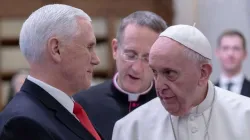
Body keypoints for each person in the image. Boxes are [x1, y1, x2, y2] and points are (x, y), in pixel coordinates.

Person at [112, 25, 250, 140]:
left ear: (203, 73)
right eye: (155, 72)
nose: (159, 86)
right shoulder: (131, 128)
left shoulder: (245, 116)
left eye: (169, 73)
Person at [0, 4, 102, 140]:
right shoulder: (24, 124)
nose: (96, 60)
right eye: (89, 47)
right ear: (56, 49)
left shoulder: (68, 109)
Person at [74, 11, 167, 140]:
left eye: (148, 58)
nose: (137, 69)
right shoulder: (81, 104)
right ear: (115, 49)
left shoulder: (169, 105)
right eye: (130, 55)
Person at [214, 30, 250, 97]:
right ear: (217, 53)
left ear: (245, 54)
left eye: (236, 48)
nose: (230, 54)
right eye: (225, 48)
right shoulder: (207, 93)